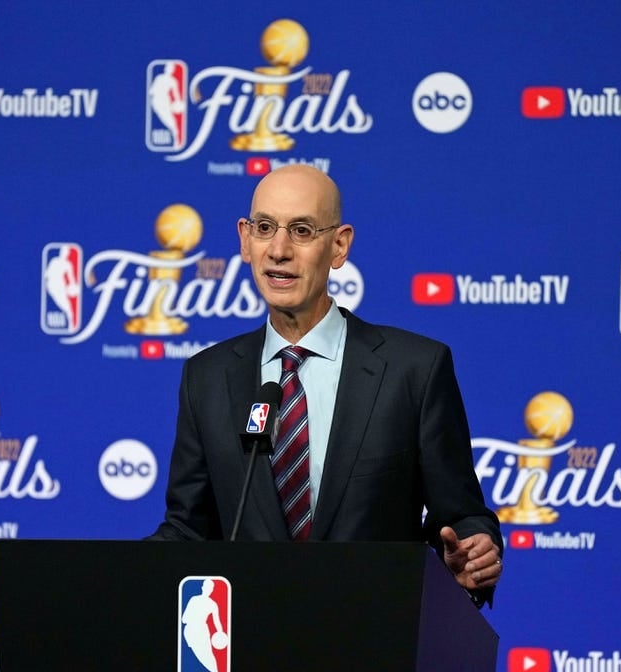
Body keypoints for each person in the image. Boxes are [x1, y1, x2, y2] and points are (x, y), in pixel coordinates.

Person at [149, 164, 503, 605]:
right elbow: (188, 528)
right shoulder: (206, 376)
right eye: (264, 228)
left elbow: (462, 515)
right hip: (249, 648)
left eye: (301, 230)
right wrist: (115, 581)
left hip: (375, 644)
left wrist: (470, 554)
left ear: (339, 245)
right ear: (244, 239)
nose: (278, 250)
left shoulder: (414, 370)